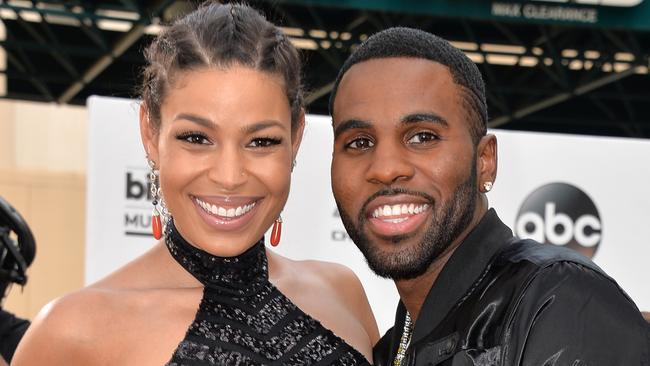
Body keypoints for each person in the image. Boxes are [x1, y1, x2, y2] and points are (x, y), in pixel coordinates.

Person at [13, 3, 378, 365]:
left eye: (261, 141)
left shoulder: (343, 294)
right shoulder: (73, 332)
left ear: (296, 136)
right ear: (151, 132)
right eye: (197, 138)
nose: (230, 176)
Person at [328, 27, 649, 365]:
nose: (386, 168)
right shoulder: (393, 347)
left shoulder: (560, 302)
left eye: (422, 137)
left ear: (484, 162)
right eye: (359, 142)